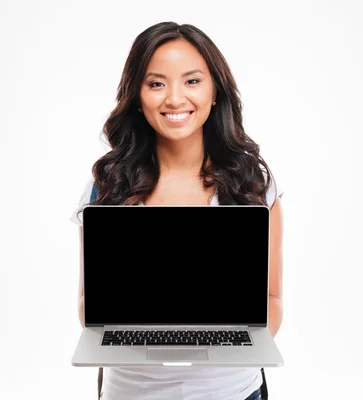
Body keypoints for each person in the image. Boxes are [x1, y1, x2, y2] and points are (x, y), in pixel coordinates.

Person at [70, 21, 284, 400]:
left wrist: (218, 337)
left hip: (233, 392)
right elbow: (90, 308)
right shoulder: (109, 184)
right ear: (137, 95)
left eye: (192, 81)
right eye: (156, 83)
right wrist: (148, 333)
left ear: (215, 90)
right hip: (132, 393)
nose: (174, 99)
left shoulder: (252, 182)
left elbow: (272, 301)